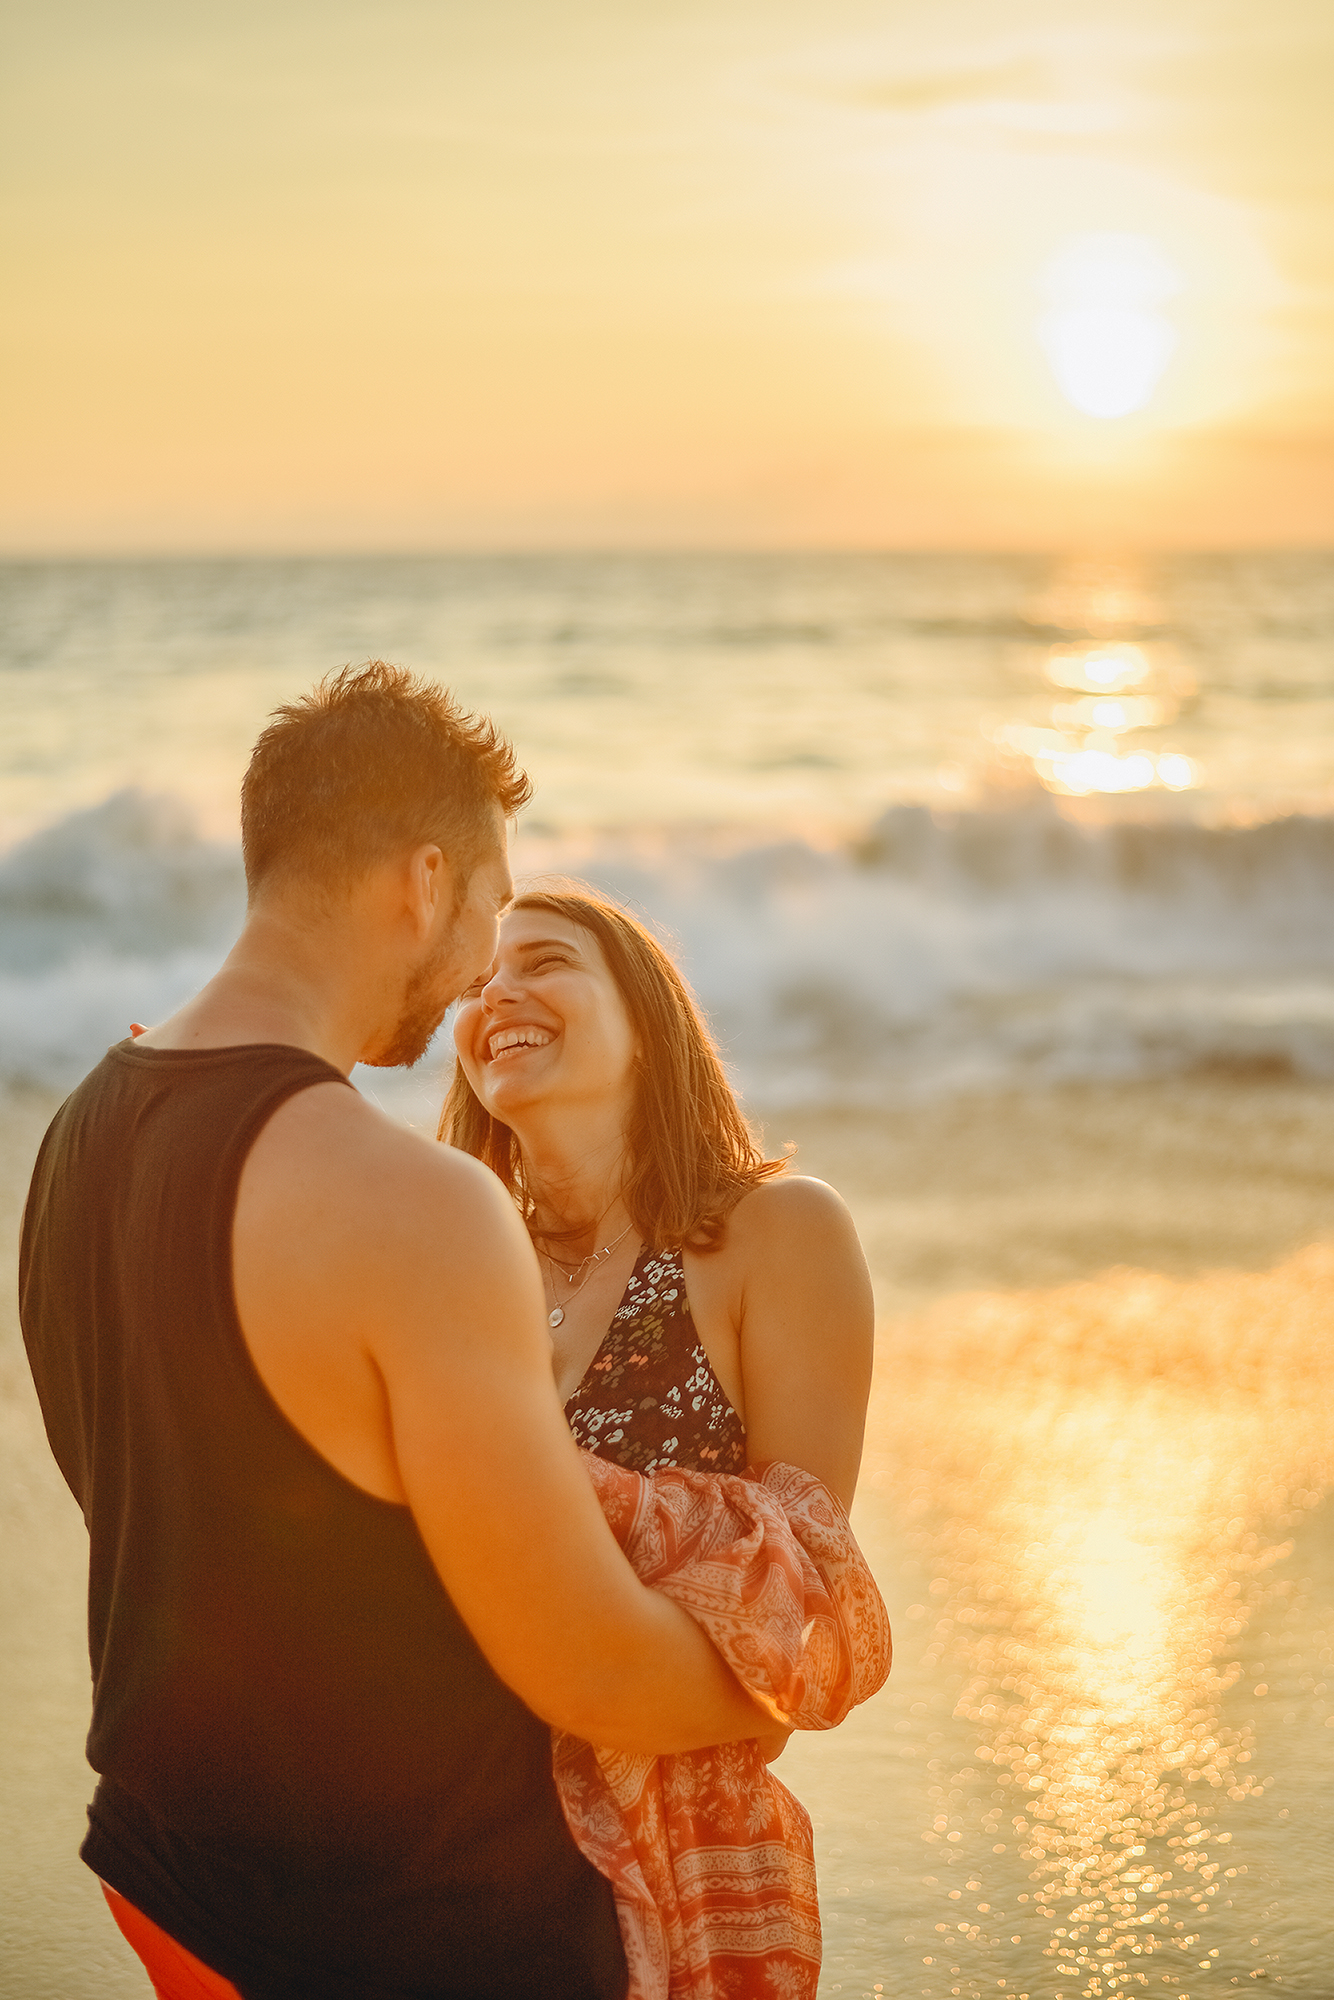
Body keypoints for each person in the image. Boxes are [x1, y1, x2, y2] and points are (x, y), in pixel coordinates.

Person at [19, 663, 785, 2000]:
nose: (485, 967)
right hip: (404, 1915)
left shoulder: (75, 1135)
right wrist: (774, 1680)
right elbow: (590, 1665)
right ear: (425, 882)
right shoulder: (416, 1204)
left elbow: (146, 1503)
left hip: (171, 1870)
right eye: (493, 907)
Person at [442, 885, 875, 1507]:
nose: (494, 994)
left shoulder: (779, 1231)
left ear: (646, 1024)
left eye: (545, 963)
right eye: (472, 982)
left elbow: (804, 1565)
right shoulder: (457, 1276)